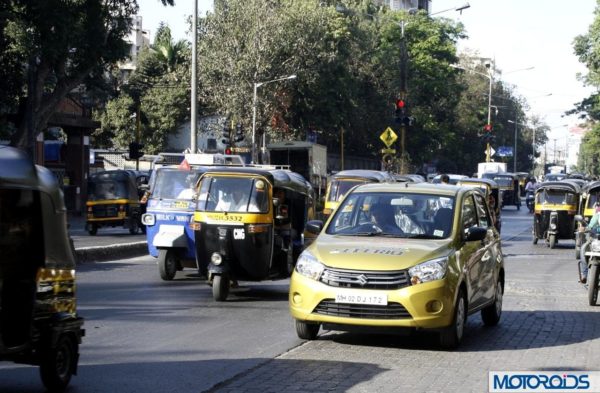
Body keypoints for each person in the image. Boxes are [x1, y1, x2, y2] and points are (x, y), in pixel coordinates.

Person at [580, 201, 600, 283]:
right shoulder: (598, 214)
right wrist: (585, 229)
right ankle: (584, 274)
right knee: (583, 249)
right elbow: (590, 226)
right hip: (596, 240)